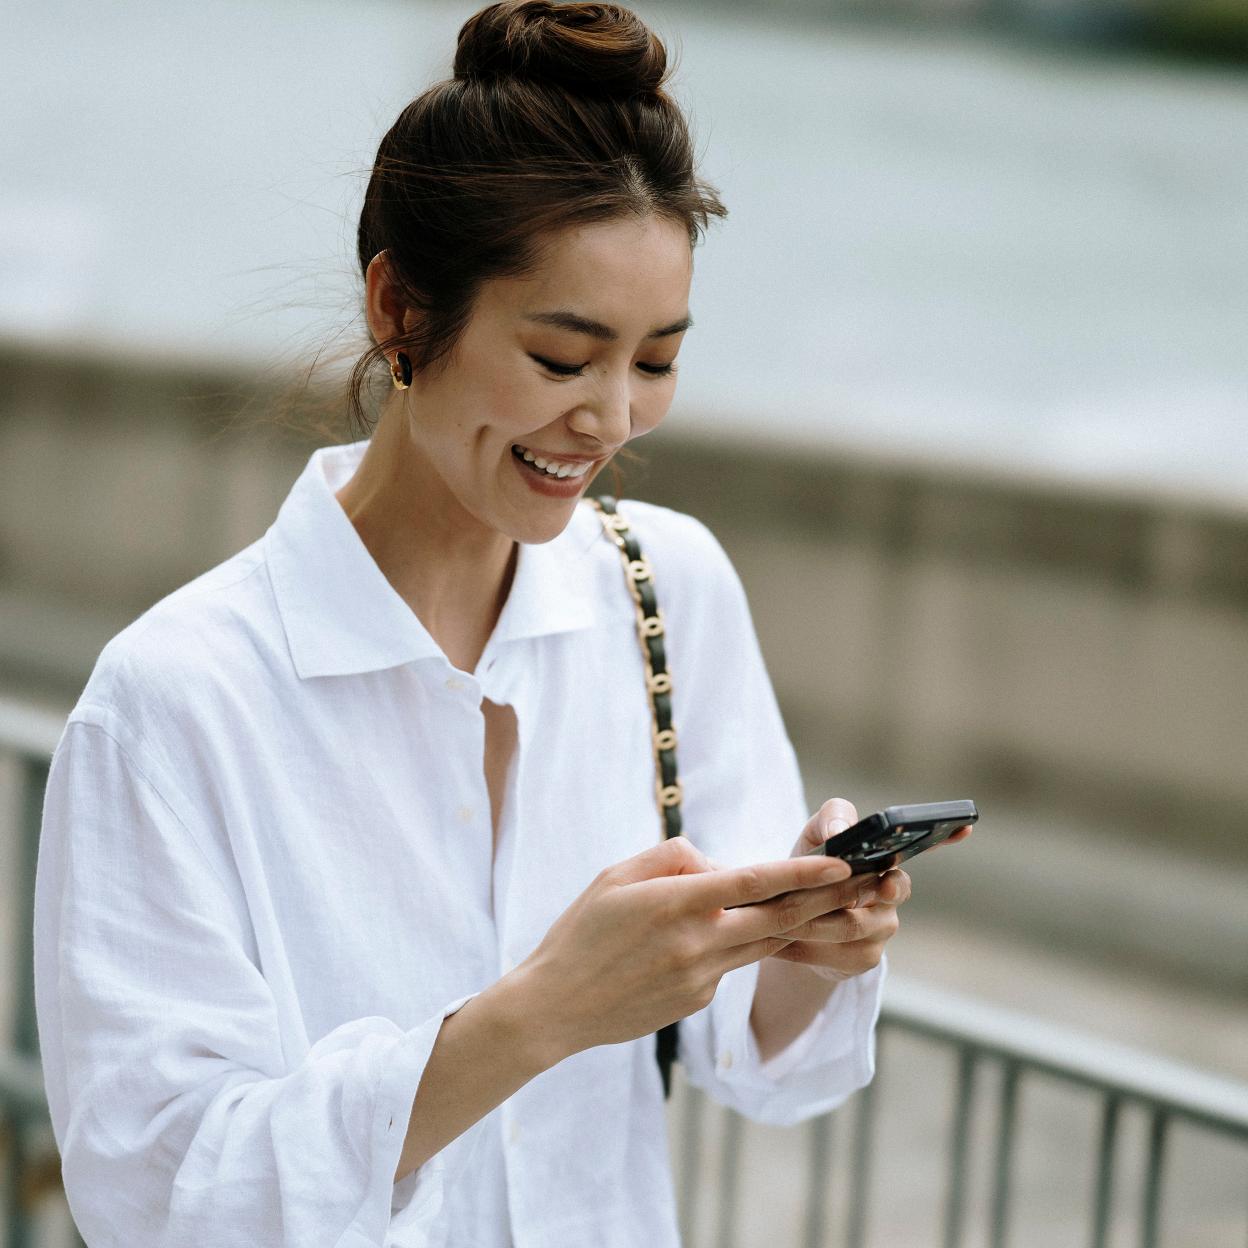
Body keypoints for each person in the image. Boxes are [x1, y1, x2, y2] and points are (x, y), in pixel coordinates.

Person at [33, 2, 965, 1244]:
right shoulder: (175, 701)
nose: (614, 419)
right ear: (401, 309)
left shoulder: (668, 590)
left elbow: (756, 1062)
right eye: (563, 355)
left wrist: (809, 949)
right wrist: (536, 1017)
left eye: (655, 360)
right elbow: (155, 1196)